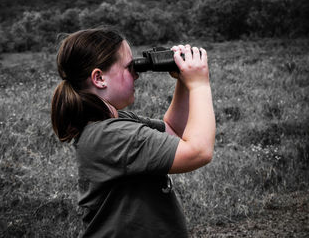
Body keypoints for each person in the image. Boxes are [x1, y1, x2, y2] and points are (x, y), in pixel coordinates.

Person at [51, 27, 215, 237]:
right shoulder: (111, 135)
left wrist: (183, 82)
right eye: (130, 67)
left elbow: (173, 131)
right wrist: (199, 85)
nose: (137, 74)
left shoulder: (113, 122)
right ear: (99, 78)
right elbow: (198, 151)